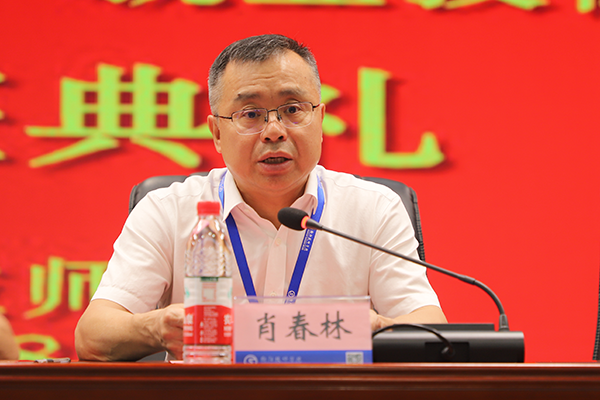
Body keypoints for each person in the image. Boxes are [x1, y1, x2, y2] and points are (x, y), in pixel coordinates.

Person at [75, 34, 446, 361]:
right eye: (250, 114)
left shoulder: (373, 208)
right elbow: (93, 336)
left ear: (320, 120)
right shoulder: (166, 210)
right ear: (216, 133)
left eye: (293, 110)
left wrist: (377, 328)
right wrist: (158, 327)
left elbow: (430, 327)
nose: (273, 131)